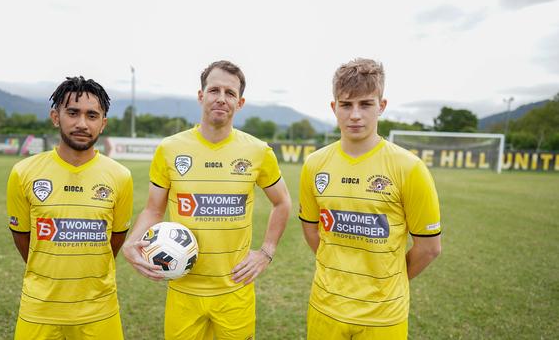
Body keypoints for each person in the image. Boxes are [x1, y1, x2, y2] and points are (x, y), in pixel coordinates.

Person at [122, 60, 292, 339]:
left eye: (230, 93)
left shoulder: (258, 151)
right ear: (201, 95)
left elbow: (282, 201)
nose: (221, 99)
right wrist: (131, 242)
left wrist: (266, 252)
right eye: (214, 90)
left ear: (240, 102)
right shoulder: (169, 149)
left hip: (235, 291)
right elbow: (154, 209)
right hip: (183, 291)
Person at [299, 58, 442, 340]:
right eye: (346, 105)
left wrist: (385, 281)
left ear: (382, 106)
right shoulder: (314, 165)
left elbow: (429, 249)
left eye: (365, 104)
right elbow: (311, 230)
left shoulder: (409, 168)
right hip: (325, 309)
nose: (355, 115)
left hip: (383, 317)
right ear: (333, 108)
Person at [7, 76, 133, 339]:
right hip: (39, 309)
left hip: (99, 310)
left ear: (103, 123)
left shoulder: (120, 176)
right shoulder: (23, 172)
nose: (82, 124)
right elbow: (22, 236)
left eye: (92, 115)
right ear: (56, 116)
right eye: (73, 113)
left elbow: (117, 238)